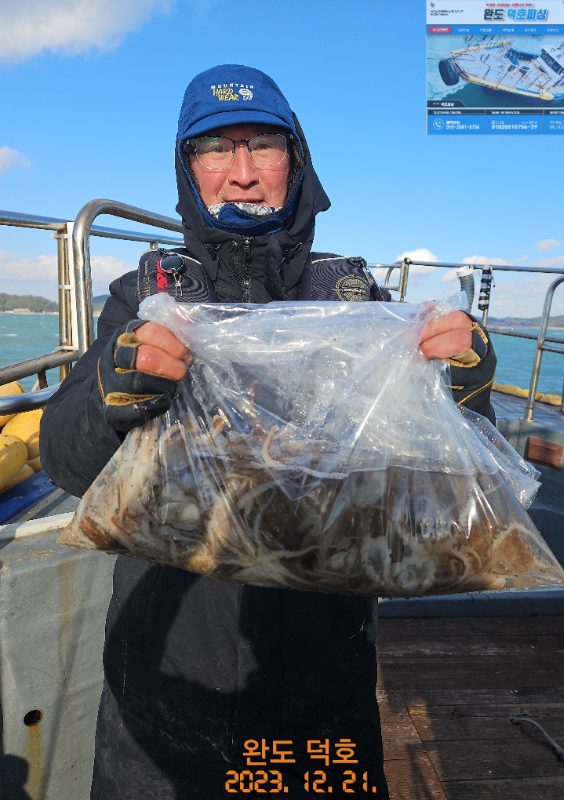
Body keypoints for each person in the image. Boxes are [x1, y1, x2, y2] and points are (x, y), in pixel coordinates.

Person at [40, 64, 496, 799]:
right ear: (187, 169)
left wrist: (463, 392)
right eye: (215, 148)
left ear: (298, 162)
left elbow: (439, 490)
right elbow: (66, 461)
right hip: (166, 675)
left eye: (263, 145)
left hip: (324, 676)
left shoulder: (356, 302)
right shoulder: (145, 298)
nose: (243, 173)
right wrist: (110, 395)